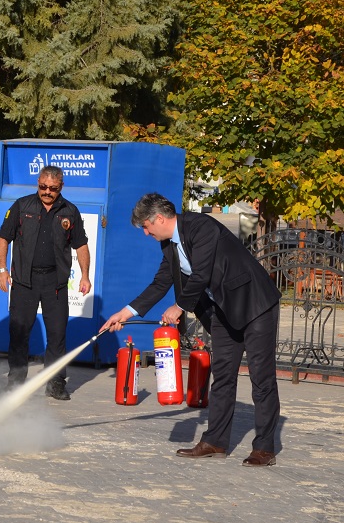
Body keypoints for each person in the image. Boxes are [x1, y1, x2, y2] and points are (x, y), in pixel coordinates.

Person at [101, 193, 282, 467]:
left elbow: (202, 274)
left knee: (262, 379)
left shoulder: (201, 227)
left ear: (159, 219)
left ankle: (264, 448)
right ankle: (215, 442)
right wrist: (124, 314)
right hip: (223, 310)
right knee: (222, 377)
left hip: (255, 304)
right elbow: (159, 284)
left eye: (146, 228)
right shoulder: (169, 246)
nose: (147, 234)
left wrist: (179, 307)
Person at [0, 165, 91, 400]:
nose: (47, 192)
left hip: (55, 283)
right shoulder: (22, 206)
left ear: (61, 187)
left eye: (53, 188)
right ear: (37, 182)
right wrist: (2, 269)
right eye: (43, 187)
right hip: (24, 281)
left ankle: (56, 383)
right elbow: (3, 238)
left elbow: (81, 245)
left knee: (57, 336)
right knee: (19, 333)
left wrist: (85, 275)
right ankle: (16, 383)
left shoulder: (70, 211)